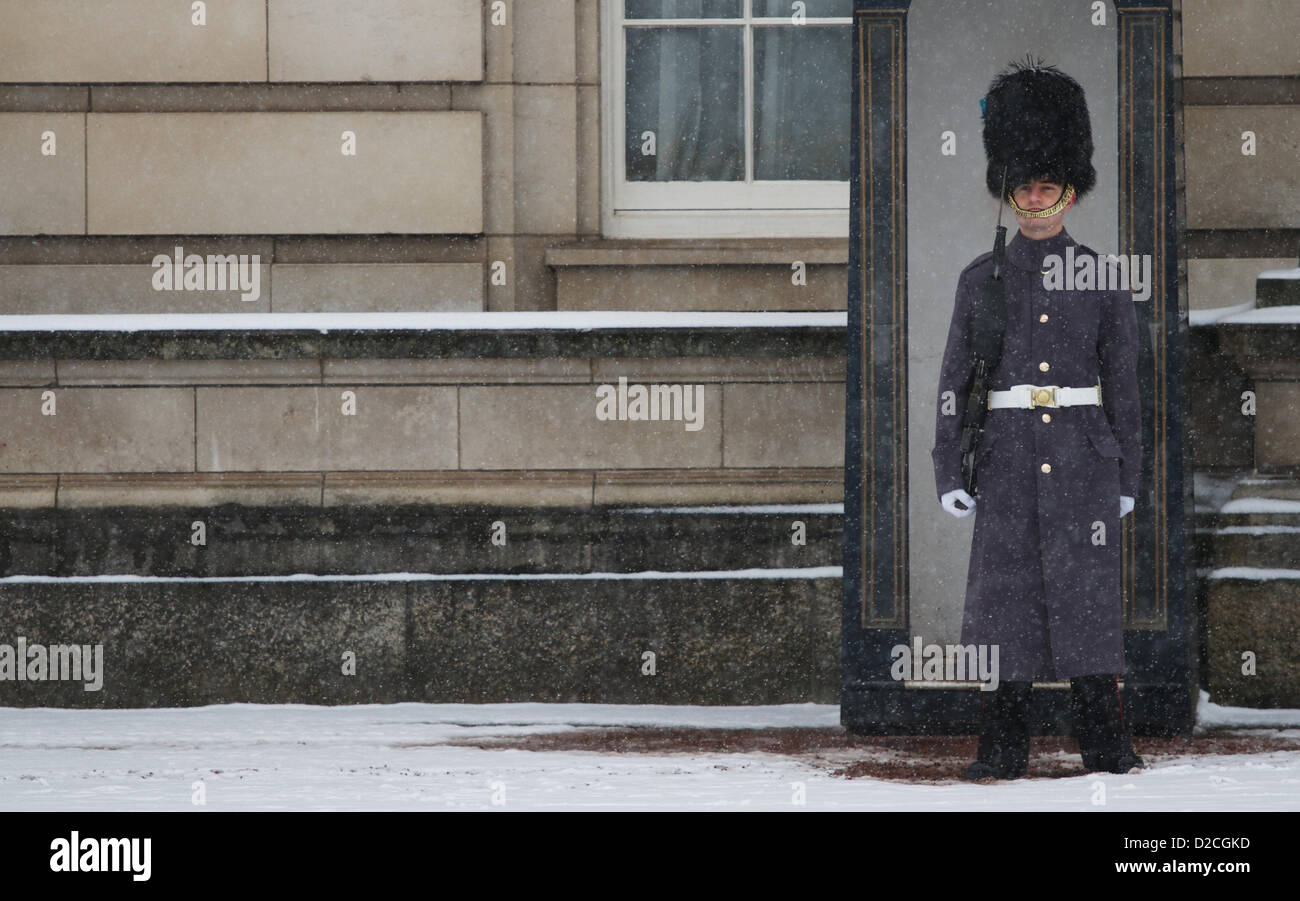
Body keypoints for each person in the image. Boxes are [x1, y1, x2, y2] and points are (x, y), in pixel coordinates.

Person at [931, 59, 1145, 780]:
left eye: (1047, 184)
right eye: (1022, 185)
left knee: (1087, 603)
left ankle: (1106, 748)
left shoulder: (1105, 278)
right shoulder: (979, 279)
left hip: (1084, 457)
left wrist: (1127, 474)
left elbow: (1124, 388)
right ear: (1008, 190)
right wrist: (947, 467)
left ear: (1070, 190)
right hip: (1007, 454)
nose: (1034, 196)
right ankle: (1001, 749)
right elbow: (953, 382)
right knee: (1004, 603)